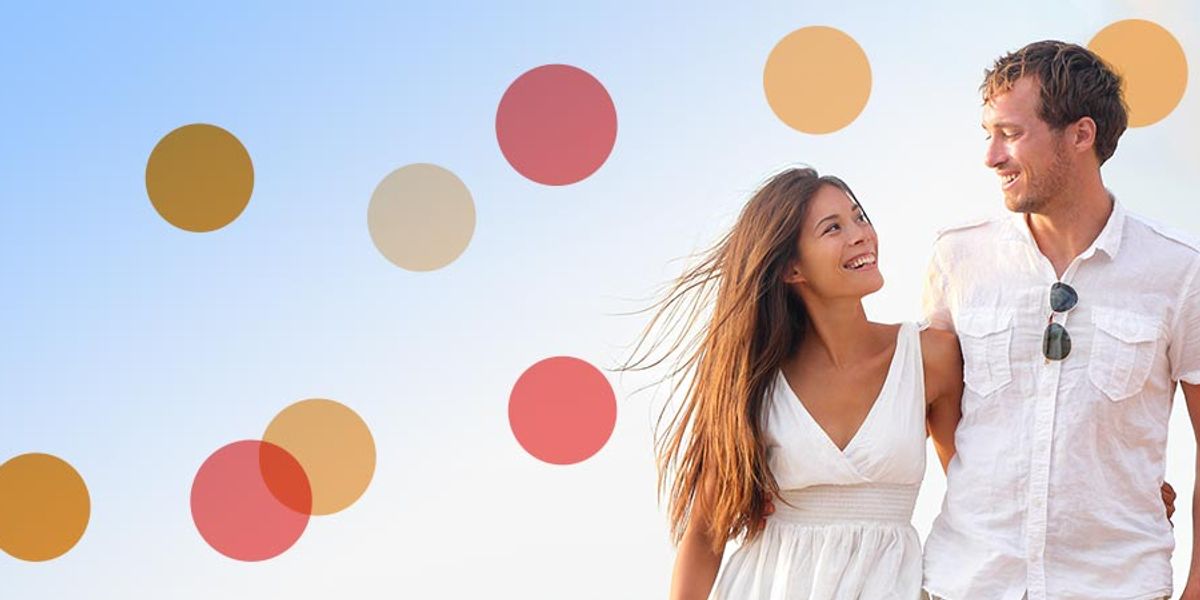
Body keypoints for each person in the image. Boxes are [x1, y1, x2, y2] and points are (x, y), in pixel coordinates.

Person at [920, 40, 1197, 600]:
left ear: (1081, 134)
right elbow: (940, 410)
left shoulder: (1180, 270)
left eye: (1012, 133)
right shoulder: (957, 257)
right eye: (988, 134)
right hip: (966, 584)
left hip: (1118, 587)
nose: (991, 157)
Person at [623, 167, 963, 599]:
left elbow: (971, 495)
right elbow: (706, 533)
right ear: (791, 269)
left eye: (859, 217)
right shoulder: (756, 379)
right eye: (833, 228)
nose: (860, 234)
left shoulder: (930, 356)